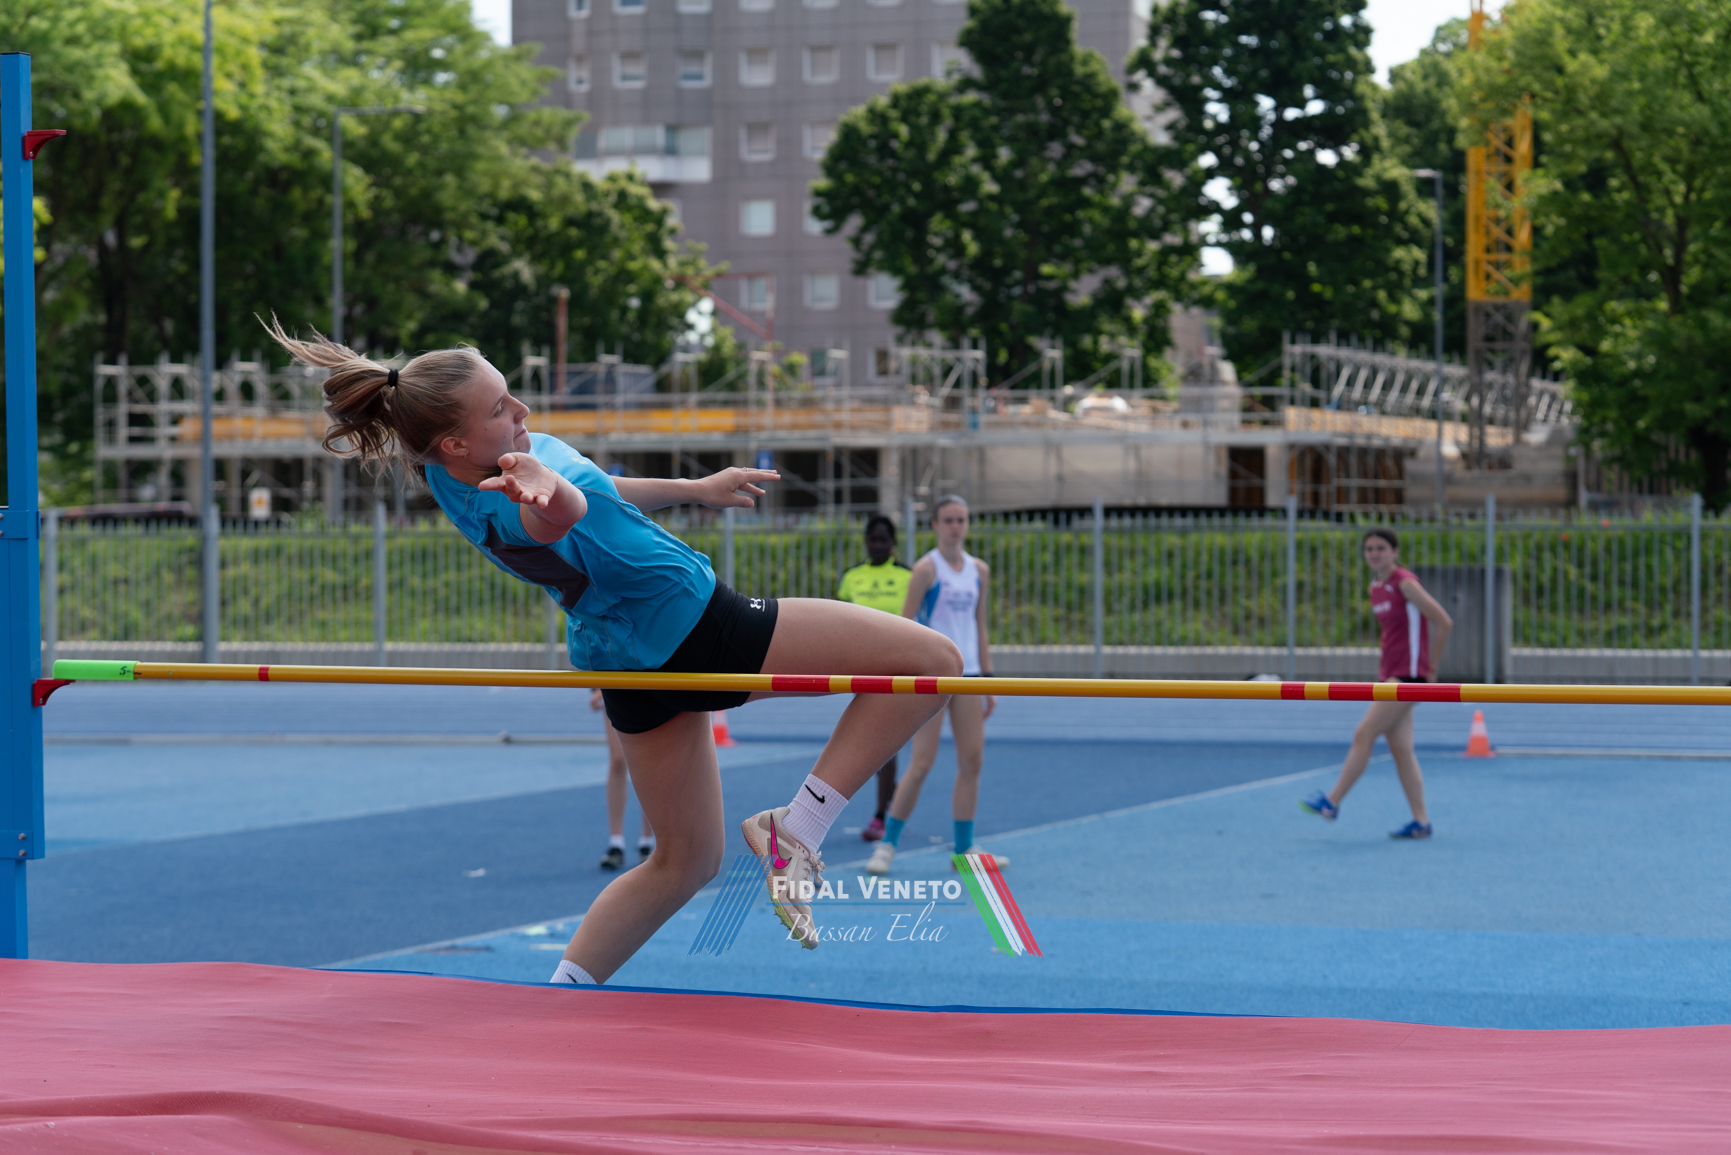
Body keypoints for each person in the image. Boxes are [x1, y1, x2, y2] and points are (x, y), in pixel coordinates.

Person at [268, 321, 962, 978]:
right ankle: (799, 828)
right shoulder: (501, 496)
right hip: (695, 626)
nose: (522, 408)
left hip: (625, 661)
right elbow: (561, 512)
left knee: (684, 861)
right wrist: (547, 491)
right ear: (453, 441)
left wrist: (693, 490)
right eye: (501, 407)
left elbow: (596, 492)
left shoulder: (477, 462)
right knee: (933, 662)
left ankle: (564, 996)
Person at [866, 495, 1007, 875]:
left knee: (972, 760)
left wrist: (989, 679)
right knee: (922, 763)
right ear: (934, 525)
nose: (956, 526)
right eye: (948, 520)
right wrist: (905, 678)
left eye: (961, 519)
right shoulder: (926, 570)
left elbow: (979, 626)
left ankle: (964, 849)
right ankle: (887, 844)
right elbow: (906, 626)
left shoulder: (979, 570)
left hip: (970, 676)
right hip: (934, 676)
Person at [1301, 528, 1453, 839]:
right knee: (1401, 750)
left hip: (1409, 676)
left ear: (1395, 552)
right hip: (1391, 674)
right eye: (1369, 549)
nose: (1374, 553)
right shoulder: (1376, 588)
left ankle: (1332, 801)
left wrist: (1431, 668)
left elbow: (1444, 622)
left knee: (1364, 733)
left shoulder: (1405, 584)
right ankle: (1421, 821)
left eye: (1381, 548)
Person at [835, 515, 912, 841]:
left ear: (893, 543)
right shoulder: (852, 577)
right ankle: (890, 800)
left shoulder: (908, 576)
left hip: (898, 667)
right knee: (870, 741)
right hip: (863, 667)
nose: (878, 545)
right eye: (873, 539)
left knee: (884, 743)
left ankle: (881, 814)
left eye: (884, 540)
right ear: (866, 542)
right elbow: (839, 621)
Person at [590, 688, 653, 869]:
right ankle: (616, 843)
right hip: (616, 681)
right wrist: (597, 687)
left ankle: (647, 842)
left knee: (649, 761)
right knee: (618, 760)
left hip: (650, 682)